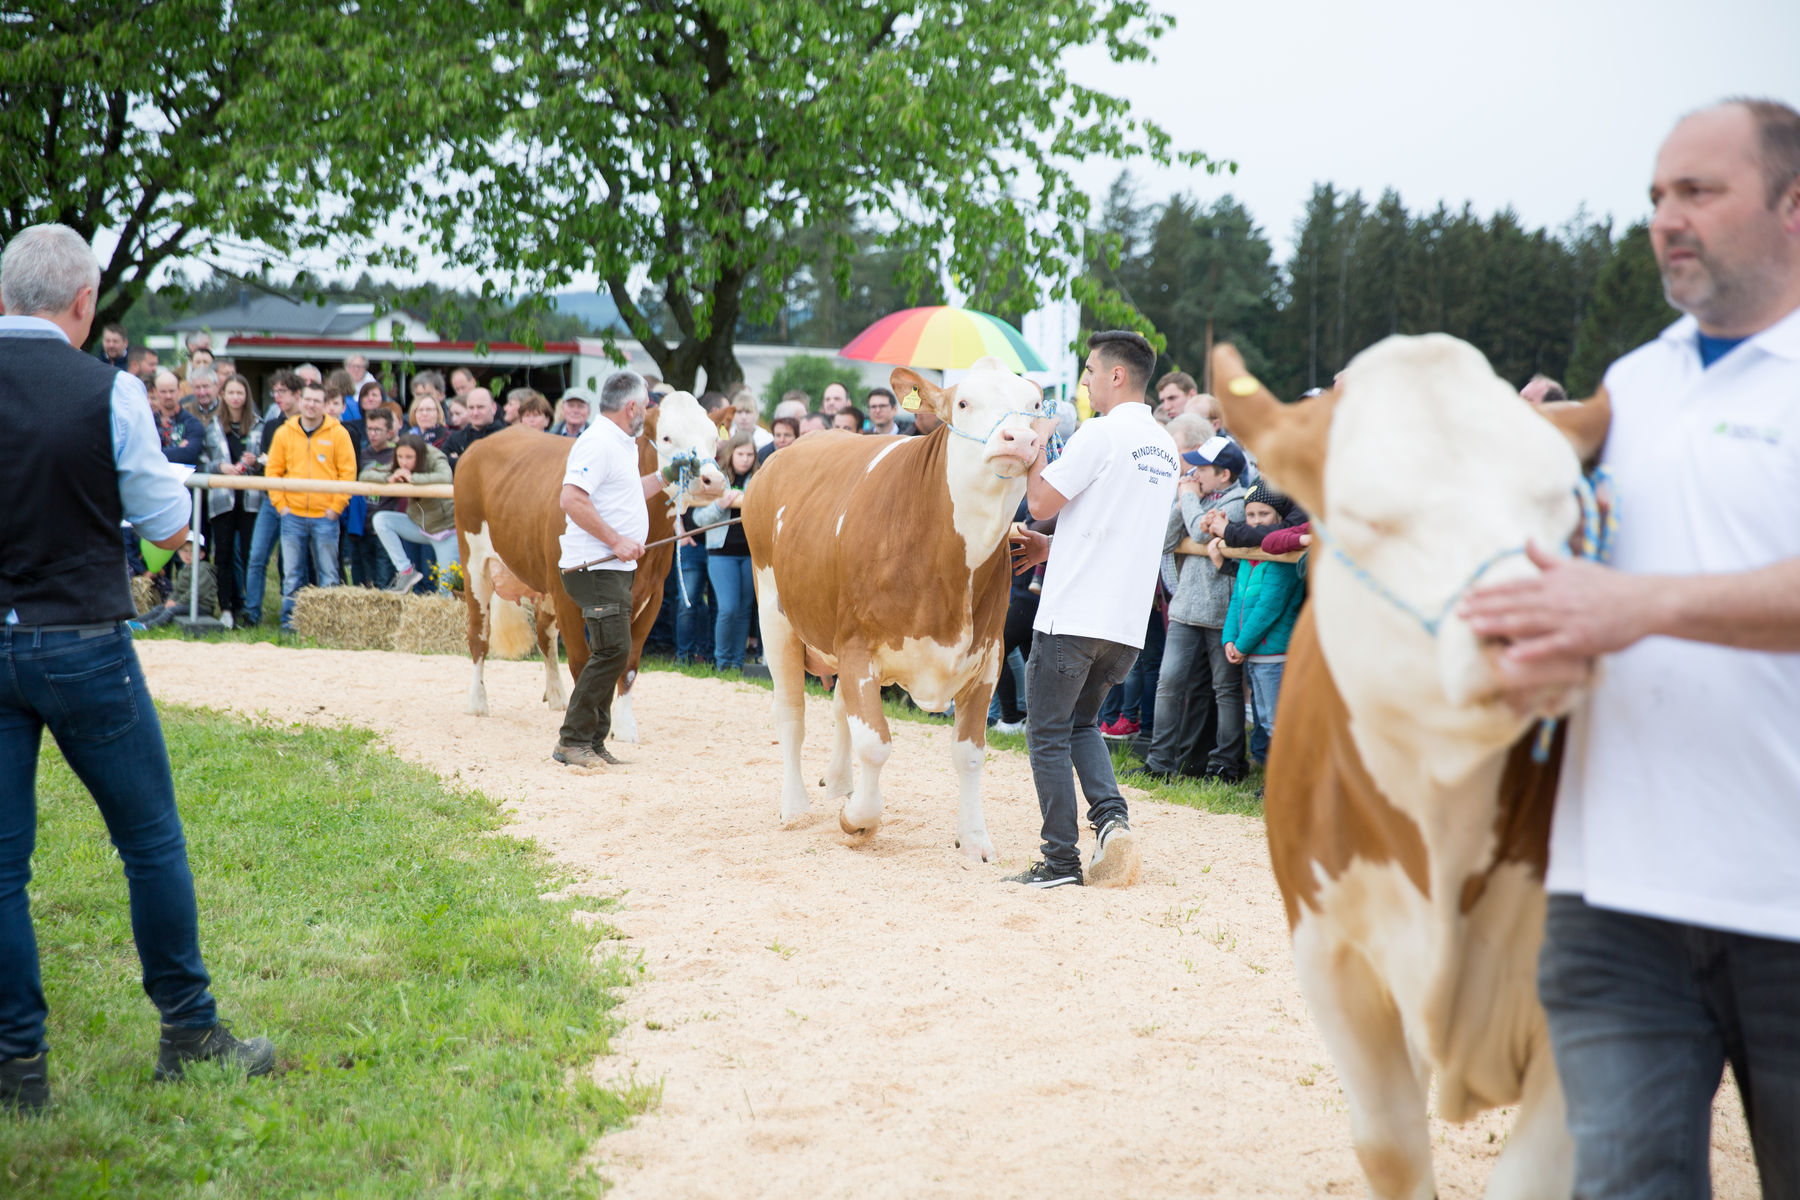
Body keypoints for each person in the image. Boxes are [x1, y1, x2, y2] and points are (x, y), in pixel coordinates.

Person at [1460, 97, 1800, 1198]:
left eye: (1698, 191)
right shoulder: (1637, 383)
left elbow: (1628, 599)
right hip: (1614, 908)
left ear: (1794, 205)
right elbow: (1576, 575)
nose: (1666, 218)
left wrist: (1636, 608)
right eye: (1656, 195)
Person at [0, 224, 275, 1116]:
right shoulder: (109, 391)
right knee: (149, 840)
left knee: (2, 869)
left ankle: (17, 1069)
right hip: (81, 635)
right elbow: (164, 524)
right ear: (84, 305)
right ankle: (189, 1032)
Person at [1005, 330, 1179, 889]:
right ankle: (1112, 823)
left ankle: (1059, 861)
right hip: (1125, 625)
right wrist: (1051, 548)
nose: (1084, 381)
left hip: (1074, 615)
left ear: (1116, 376)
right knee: (1081, 723)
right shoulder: (1165, 446)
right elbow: (1117, 531)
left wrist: (1038, 444)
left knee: (1048, 731)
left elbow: (1038, 502)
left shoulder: (1101, 434)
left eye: (1089, 371)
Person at [551, 370, 663, 769]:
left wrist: (666, 477)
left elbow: (628, 490)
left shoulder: (621, 444)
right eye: (646, 405)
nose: (647, 412)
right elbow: (571, 499)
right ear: (631, 406)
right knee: (614, 651)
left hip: (611, 566)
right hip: (595, 565)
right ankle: (573, 740)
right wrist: (616, 540)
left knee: (611, 652)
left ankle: (593, 743)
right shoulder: (597, 443)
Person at [1144, 435, 1250, 783]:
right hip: (1186, 608)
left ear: (1225, 474)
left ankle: (1227, 765)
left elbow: (1201, 535)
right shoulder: (1200, 500)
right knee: (1169, 683)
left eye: (1202, 468)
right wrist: (1184, 503)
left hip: (1221, 612)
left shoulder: (1238, 501)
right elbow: (1165, 540)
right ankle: (1159, 762)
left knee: (1227, 690)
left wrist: (1188, 499)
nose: (1193, 472)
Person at [1219, 485, 1303, 766]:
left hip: (1274, 653)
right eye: (1250, 514)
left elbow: (1268, 609)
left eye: (1263, 514)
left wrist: (1241, 644)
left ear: (1279, 517)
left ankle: (1288, 781)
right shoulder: (1249, 556)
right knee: (1266, 719)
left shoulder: (1280, 560)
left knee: (1278, 720)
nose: (1255, 520)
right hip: (1254, 652)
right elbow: (1236, 601)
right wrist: (1230, 638)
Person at [265, 380, 356, 630]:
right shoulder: (284, 432)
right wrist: (281, 505)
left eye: (317, 400)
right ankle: (289, 622)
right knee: (292, 573)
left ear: (326, 405)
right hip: (292, 513)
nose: (311, 405)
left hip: (325, 516)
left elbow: (347, 474)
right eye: (308, 399)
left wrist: (336, 507)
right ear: (300, 400)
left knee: (328, 573)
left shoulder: (339, 434)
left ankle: (328, 624)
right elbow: (272, 471)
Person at [690, 433, 758, 672]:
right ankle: (722, 662)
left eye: (750, 454)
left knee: (744, 610)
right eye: (741, 454)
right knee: (728, 608)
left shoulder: (759, 480)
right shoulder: (718, 480)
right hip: (721, 554)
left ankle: (736, 665)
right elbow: (699, 518)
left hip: (751, 554)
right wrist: (720, 505)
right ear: (731, 454)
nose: (745, 459)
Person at [205, 373, 264, 625]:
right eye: (231, 393)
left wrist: (255, 462)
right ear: (223, 396)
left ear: (246, 396)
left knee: (251, 554)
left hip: (251, 500)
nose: (236, 397)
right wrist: (220, 467)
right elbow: (203, 462)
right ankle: (226, 607)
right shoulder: (213, 426)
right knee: (224, 554)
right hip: (223, 498)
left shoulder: (259, 425)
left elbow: (267, 462)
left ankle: (250, 608)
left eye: (240, 393)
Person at [367, 434, 457, 593]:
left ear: (420, 455)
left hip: (446, 531)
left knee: (446, 591)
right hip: (418, 526)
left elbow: (446, 476)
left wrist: (412, 478)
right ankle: (406, 572)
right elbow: (366, 475)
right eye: (400, 456)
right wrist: (390, 476)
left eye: (409, 457)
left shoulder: (435, 457)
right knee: (381, 519)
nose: (404, 462)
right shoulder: (400, 465)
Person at [443, 386, 503, 470]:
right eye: (471, 408)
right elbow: (442, 464)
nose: (475, 413)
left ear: (494, 408)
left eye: (480, 407)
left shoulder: (505, 437)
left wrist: (459, 460)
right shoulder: (454, 439)